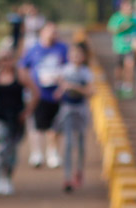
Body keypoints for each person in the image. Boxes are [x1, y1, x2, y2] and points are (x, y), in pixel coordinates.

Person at [0, 51, 38, 196]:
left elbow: (36, 93)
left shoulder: (21, 75)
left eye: (9, 59)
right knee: (1, 148)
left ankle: (7, 178)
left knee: (12, 149)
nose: (6, 63)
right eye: (3, 60)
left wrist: (27, 111)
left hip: (15, 118)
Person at [20, 23, 69, 169]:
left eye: (55, 32)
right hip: (38, 93)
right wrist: (30, 87)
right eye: (50, 32)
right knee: (36, 125)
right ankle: (36, 153)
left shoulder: (62, 48)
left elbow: (68, 68)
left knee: (55, 126)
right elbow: (23, 68)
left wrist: (62, 86)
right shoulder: (34, 49)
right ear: (42, 33)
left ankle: (52, 152)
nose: (53, 35)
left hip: (56, 93)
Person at [55, 43, 93, 192]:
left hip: (81, 109)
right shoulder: (64, 71)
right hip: (67, 109)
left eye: (79, 55)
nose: (76, 57)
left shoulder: (86, 73)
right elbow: (59, 90)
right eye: (73, 54)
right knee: (69, 144)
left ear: (83, 57)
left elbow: (91, 92)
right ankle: (67, 177)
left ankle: (79, 170)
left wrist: (73, 87)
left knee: (81, 144)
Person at [108, 1, 136, 98]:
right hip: (119, 47)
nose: (129, 7)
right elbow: (112, 30)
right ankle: (118, 85)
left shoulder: (135, 18)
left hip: (131, 47)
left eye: (130, 6)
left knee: (129, 66)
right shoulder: (116, 17)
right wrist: (124, 26)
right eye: (127, 5)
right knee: (119, 68)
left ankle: (128, 88)